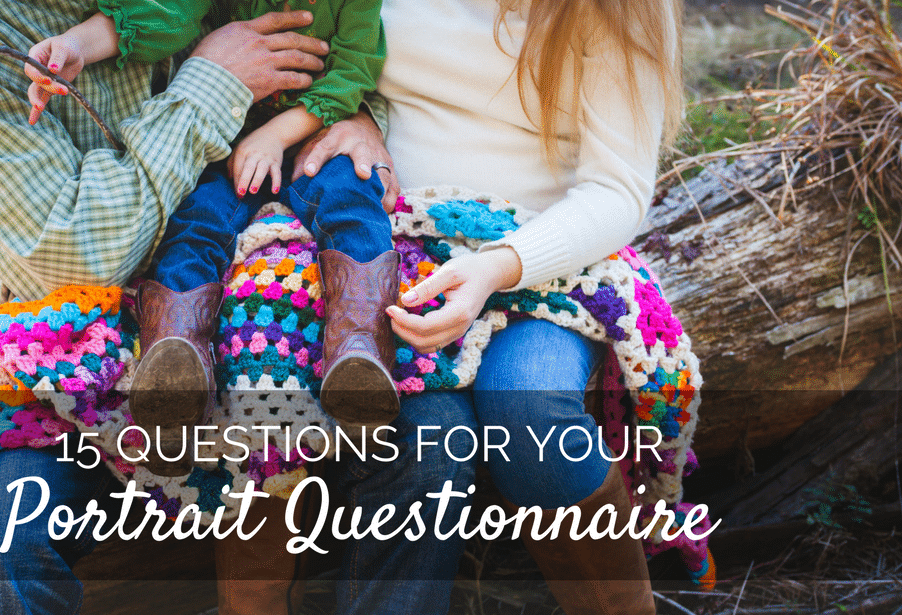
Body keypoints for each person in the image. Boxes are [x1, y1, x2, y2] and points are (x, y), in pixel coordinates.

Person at [0, 0, 464, 613]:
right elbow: (77, 255)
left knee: (435, 448)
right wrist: (214, 81)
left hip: (284, 311)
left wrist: (353, 115)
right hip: (83, 356)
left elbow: (341, 45)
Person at [293, 0, 684, 613]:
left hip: (545, 262)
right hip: (390, 244)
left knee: (528, 409)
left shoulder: (617, 10)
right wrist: (359, 114)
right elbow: (326, 49)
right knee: (422, 439)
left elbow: (617, 189)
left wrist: (497, 266)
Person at [20, 1, 399, 461]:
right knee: (198, 220)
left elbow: (351, 74)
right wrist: (77, 44)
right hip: (228, 139)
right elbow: (164, 15)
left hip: (313, 137)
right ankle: (175, 353)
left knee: (352, 200)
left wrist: (277, 135)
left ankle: (359, 344)